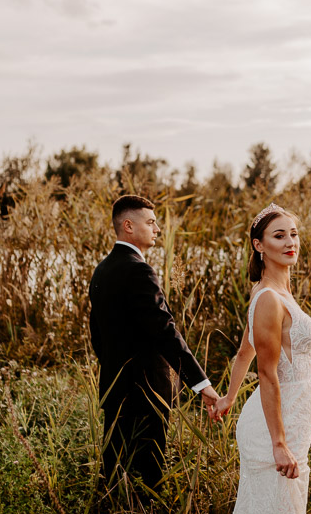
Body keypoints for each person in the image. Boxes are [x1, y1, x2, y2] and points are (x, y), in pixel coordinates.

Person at [88, 194, 220, 493]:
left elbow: (97, 332)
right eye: (150, 222)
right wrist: (201, 383)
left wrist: (114, 366)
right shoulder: (139, 270)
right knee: (150, 478)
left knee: (114, 473)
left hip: (115, 388)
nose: (157, 229)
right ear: (128, 226)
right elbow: (165, 332)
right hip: (147, 393)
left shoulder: (103, 269)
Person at [212, 203, 311, 514]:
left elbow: (245, 351)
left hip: (293, 422)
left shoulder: (274, 293)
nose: (290, 242)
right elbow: (267, 373)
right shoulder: (269, 299)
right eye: (279, 235)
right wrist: (279, 444)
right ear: (259, 245)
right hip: (276, 429)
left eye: (294, 234)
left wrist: (228, 398)